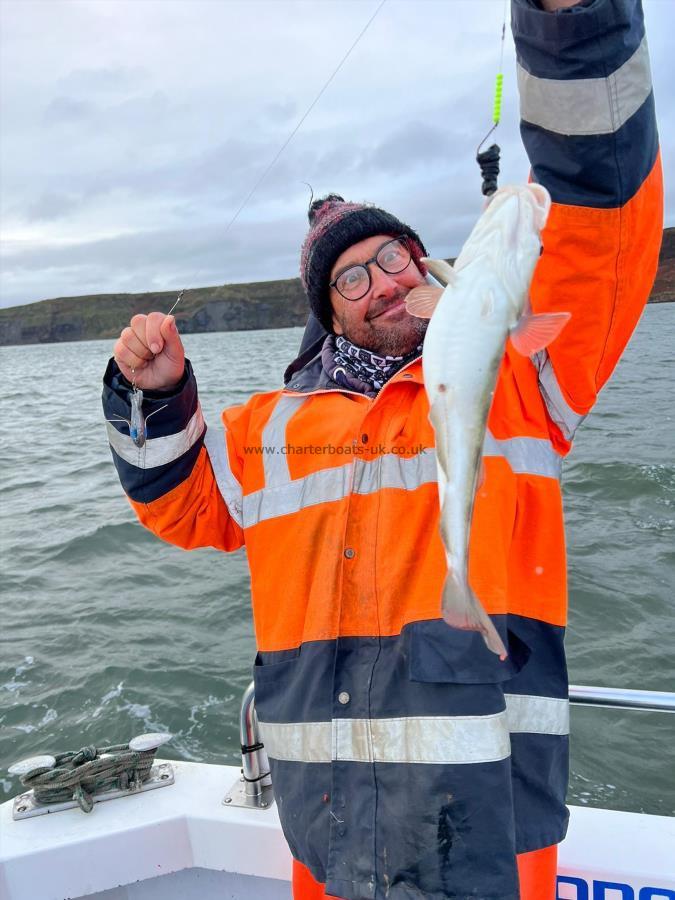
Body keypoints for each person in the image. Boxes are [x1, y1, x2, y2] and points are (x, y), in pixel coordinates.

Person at [102, 0, 662, 897]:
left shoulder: (524, 372)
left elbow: (604, 219)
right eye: (350, 277)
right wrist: (156, 394)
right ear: (329, 313)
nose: (383, 282)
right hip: (325, 840)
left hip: (490, 838)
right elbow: (179, 506)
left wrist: (574, 23)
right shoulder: (270, 427)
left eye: (396, 256)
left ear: (430, 262)